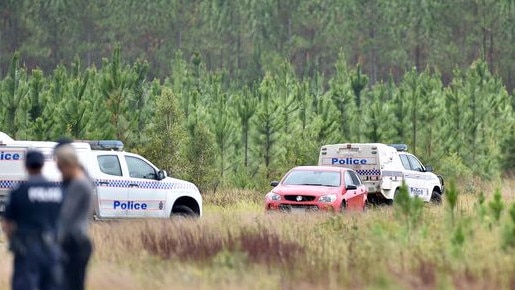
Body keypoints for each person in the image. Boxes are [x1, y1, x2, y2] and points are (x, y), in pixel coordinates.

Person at [1, 150, 63, 290]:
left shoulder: (20, 191)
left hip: (27, 249)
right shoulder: (57, 190)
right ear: (42, 165)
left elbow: (7, 223)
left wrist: (14, 241)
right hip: (52, 248)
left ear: (26, 166)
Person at [54, 142, 94, 290]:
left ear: (68, 164)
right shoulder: (85, 180)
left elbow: (65, 216)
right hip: (77, 241)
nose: (60, 172)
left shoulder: (78, 185)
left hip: (74, 243)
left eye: (60, 168)